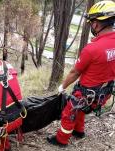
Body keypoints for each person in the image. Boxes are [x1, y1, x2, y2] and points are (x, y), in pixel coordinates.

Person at [47, 0, 115, 147]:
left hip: (87, 93)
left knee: (69, 113)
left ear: (96, 24)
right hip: (105, 92)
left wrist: (62, 86)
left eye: (92, 22)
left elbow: (75, 72)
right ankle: (79, 131)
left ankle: (61, 140)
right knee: (81, 110)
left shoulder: (92, 49)